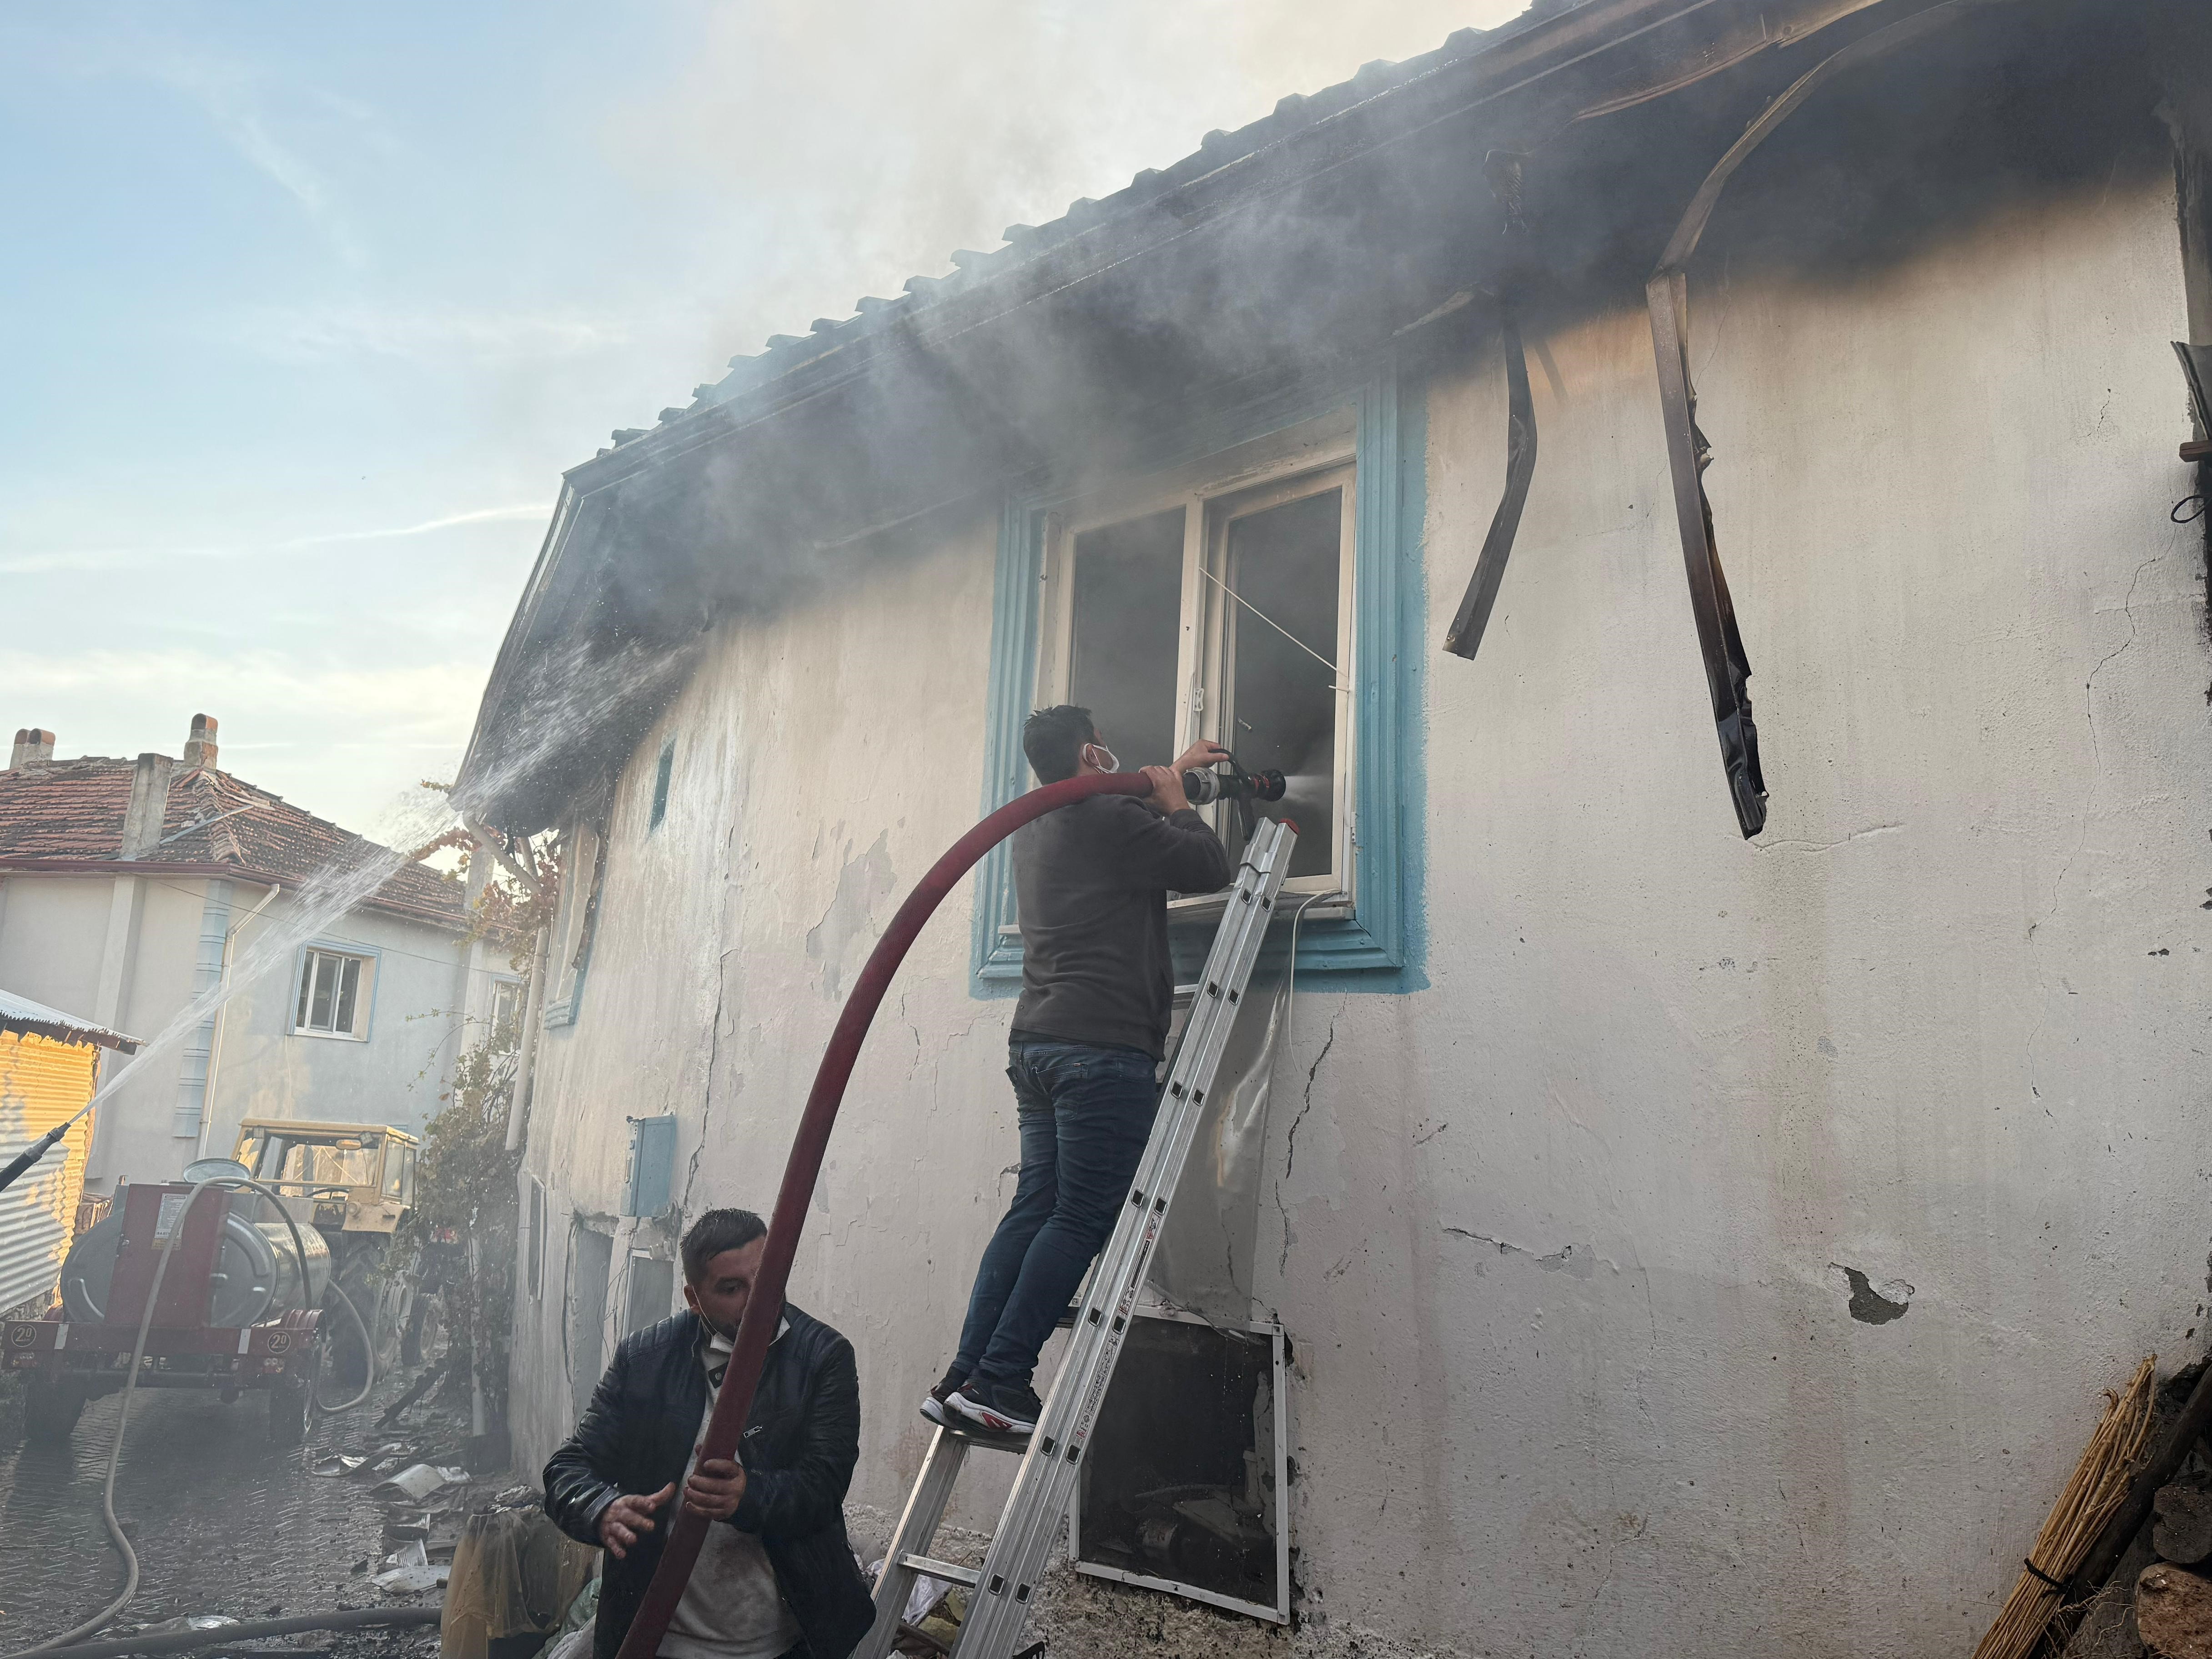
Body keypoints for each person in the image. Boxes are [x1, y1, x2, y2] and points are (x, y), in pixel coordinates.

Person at [930, 705, 1233, 1437]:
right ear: (1094, 754)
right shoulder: (1107, 821)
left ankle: (966, 1376)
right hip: (1100, 1050)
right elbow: (1207, 868)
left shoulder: (1038, 823)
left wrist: (1175, 772)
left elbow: (1112, 817)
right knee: (1082, 1215)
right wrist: (1182, 807)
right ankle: (1002, 1381)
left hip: (1037, 1043)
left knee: (1035, 1206)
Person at [545, 1208, 874, 1659]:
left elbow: (825, 1484)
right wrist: (603, 1508)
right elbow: (569, 1467)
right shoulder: (645, 1359)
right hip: (658, 1642)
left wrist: (751, 1496)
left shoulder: (823, 1357)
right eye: (731, 1289)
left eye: (766, 1278)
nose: (757, 1301)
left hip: (782, 1643)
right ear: (694, 1298)